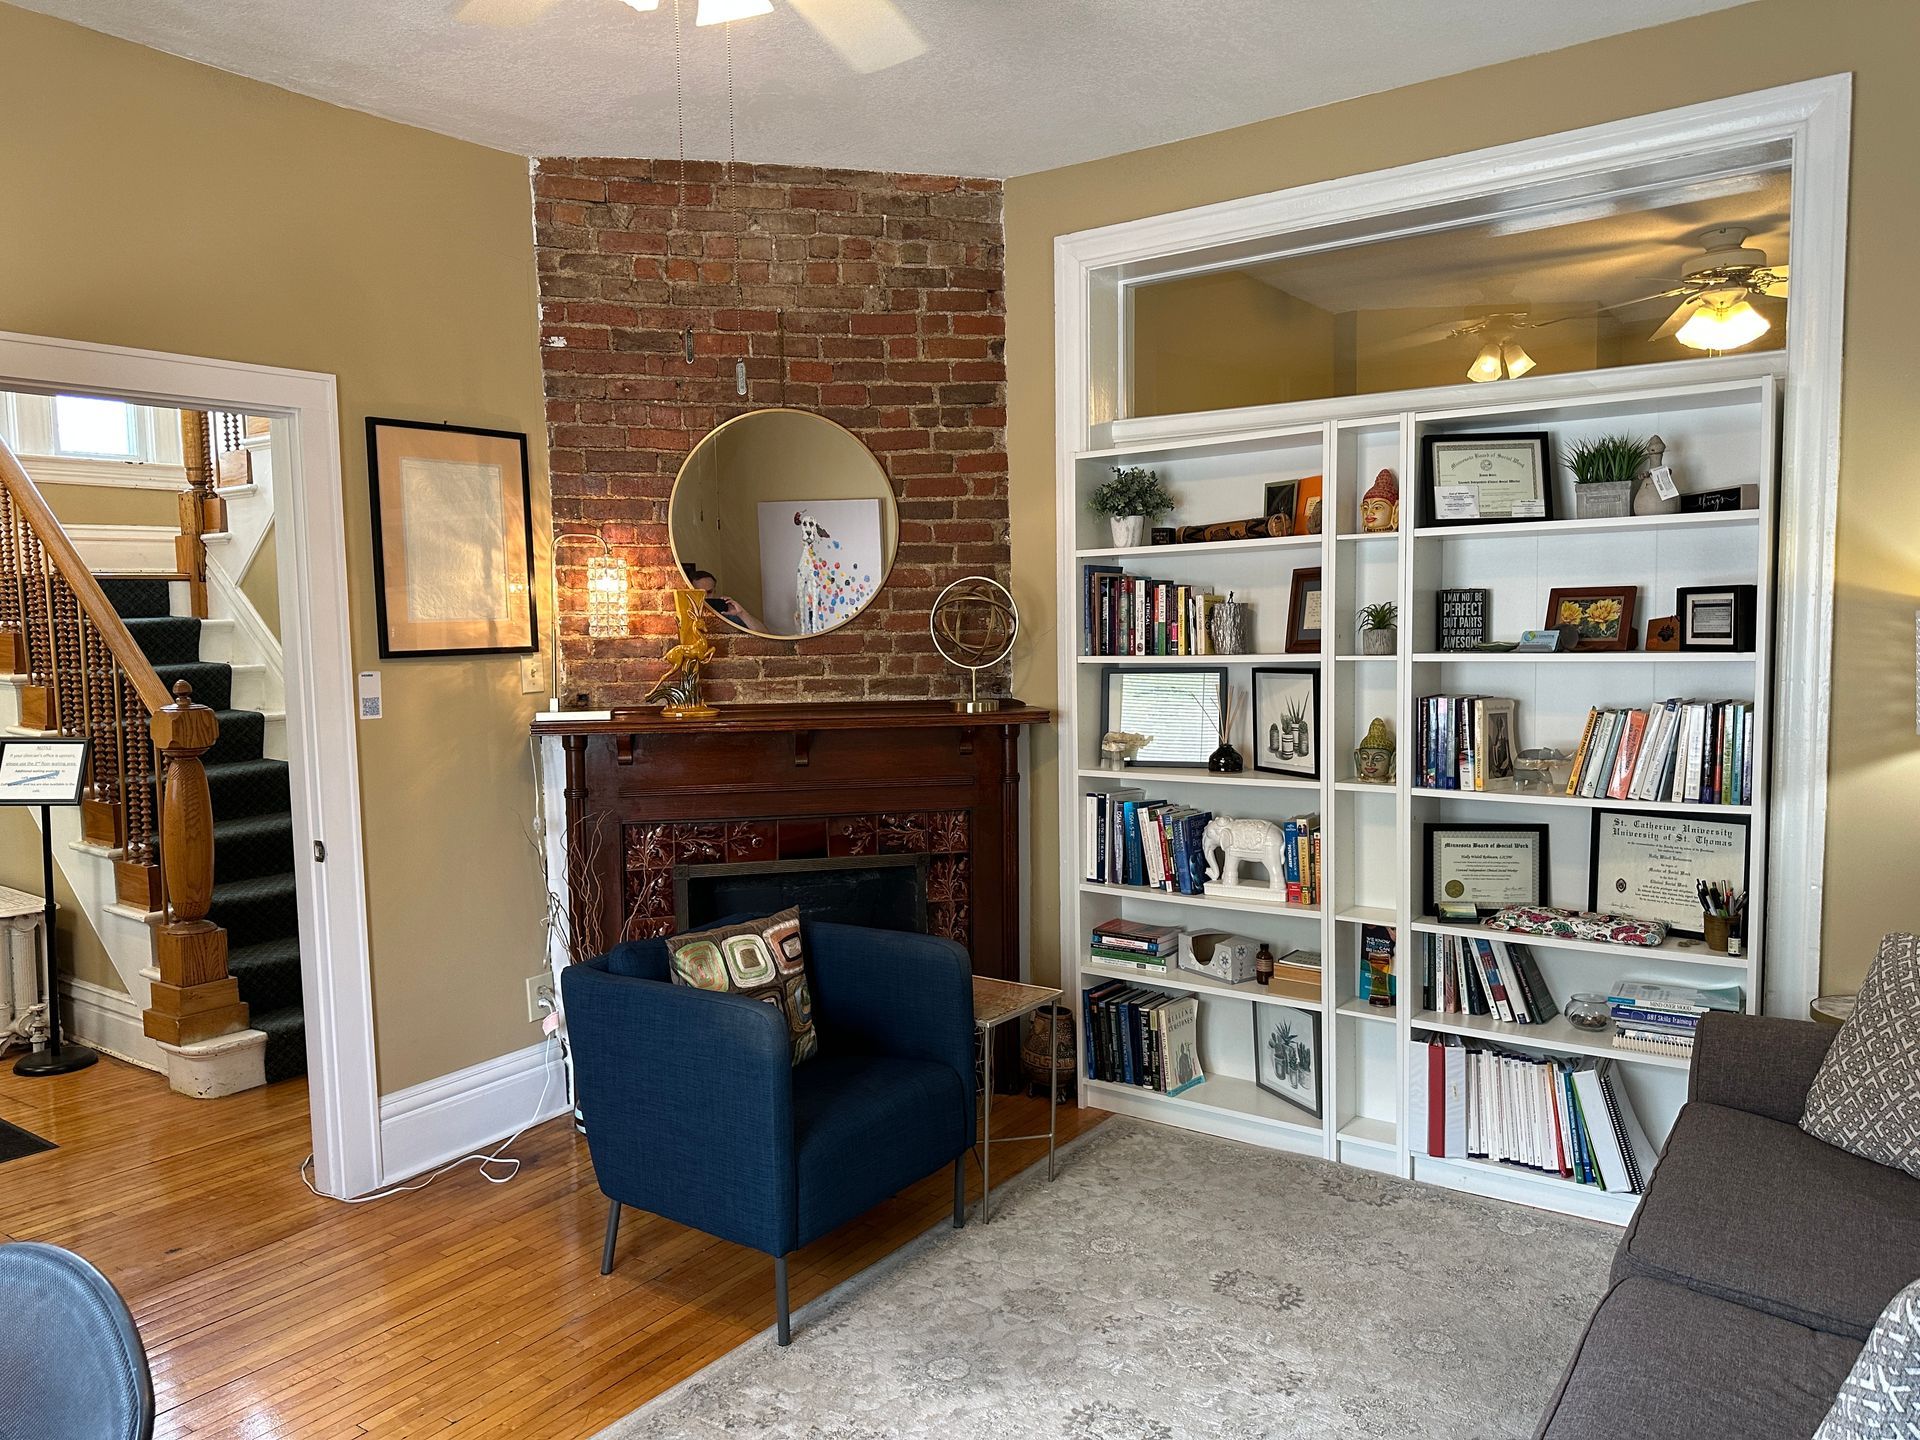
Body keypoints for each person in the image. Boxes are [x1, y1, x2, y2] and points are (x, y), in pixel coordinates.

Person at [689, 569, 763, 632]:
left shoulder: (726, 613)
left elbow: (764, 634)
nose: (705, 597)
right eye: (700, 593)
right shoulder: (687, 614)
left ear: (715, 591)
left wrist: (742, 613)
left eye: (709, 592)